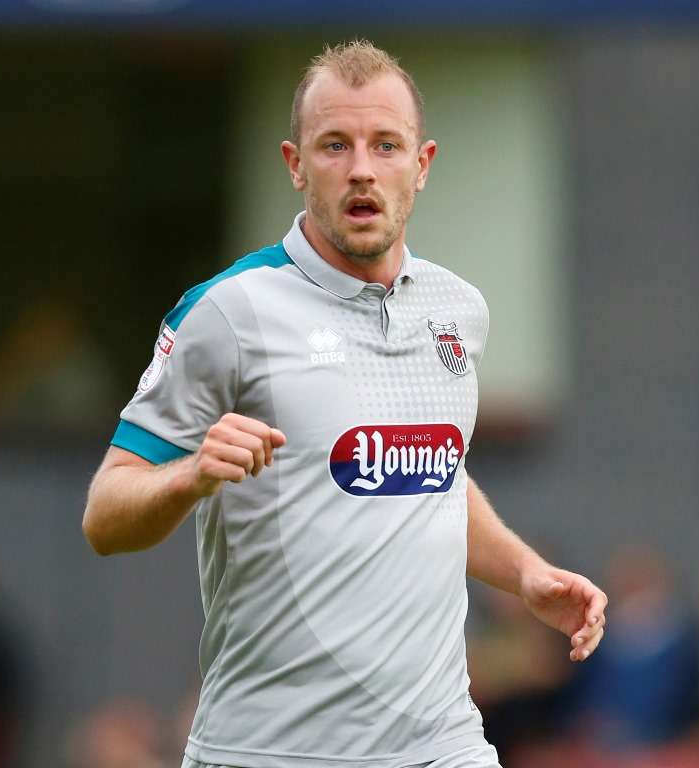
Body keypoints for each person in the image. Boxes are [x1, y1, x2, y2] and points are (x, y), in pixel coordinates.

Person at [83, 40, 607, 768]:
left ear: (420, 165)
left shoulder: (458, 309)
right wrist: (190, 476)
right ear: (296, 164)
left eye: (385, 145)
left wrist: (523, 573)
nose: (362, 168)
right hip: (268, 750)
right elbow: (105, 517)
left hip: (441, 744)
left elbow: (432, 480)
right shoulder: (228, 311)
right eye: (335, 145)